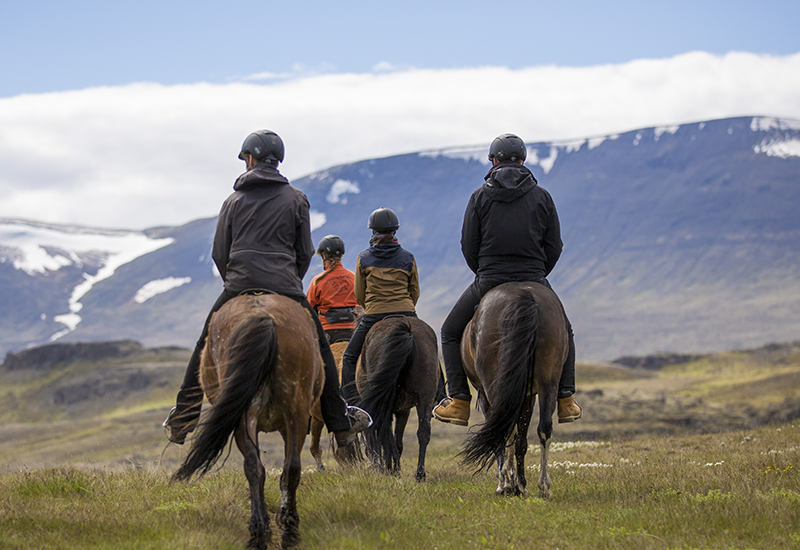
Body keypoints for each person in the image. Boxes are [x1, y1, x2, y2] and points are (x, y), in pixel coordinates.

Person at [163, 130, 371, 451]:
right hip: (285, 285)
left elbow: (220, 252)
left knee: (205, 342)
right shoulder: (297, 198)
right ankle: (340, 420)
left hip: (240, 284)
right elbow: (304, 252)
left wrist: (235, 285)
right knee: (321, 348)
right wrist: (290, 283)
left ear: (250, 158)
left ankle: (184, 418)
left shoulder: (232, 201)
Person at [433, 133, 581, 426]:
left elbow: (468, 244)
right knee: (565, 330)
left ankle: (460, 401)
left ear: (493, 160)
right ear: (523, 160)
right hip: (534, 277)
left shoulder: (479, 196)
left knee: (450, 332)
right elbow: (555, 246)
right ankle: (565, 399)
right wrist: (538, 274)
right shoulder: (543, 196)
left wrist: (484, 272)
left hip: (490, 278)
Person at [339, 207, 420, 403]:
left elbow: (359, 293)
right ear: (395, 231)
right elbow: (414, 291)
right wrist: (406, 308)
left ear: (373, 231)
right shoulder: (408, 257)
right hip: (406, 312)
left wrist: (372, 307)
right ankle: (440, 398)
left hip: (375, 314)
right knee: (429, 351)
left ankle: (350, 403)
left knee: (349, 358)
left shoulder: (364, 257)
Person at [307, 235, 359, 343]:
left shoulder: (317, 281)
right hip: (353, 331)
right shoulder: (354, 278)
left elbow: (309, 311)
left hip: (328, 333)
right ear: (341, 255)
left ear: (324, 256)